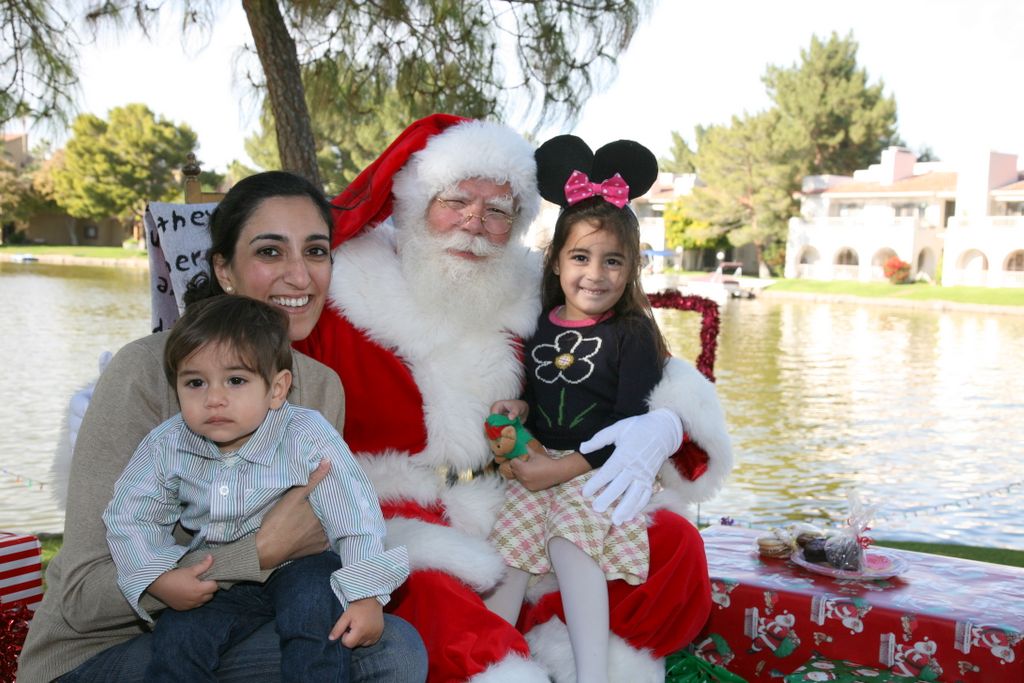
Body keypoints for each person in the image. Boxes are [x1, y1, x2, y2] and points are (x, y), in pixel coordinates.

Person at [293, 114, 734, 682]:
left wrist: (667, 424)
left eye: (498, 210)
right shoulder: (345, 291)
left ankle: (570, 649)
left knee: (672, 544)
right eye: (456, 200)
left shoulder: (533, 288)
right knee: (427, 588)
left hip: (521, 491)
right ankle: (507, 662)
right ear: (414, 201)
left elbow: (632, 361)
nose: (475, 223)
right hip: (400, 506)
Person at [19, 171, 427, 683]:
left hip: (236, 623)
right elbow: (82, 594)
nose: (300, 276)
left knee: (382, 643)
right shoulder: (145, 373)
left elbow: (319, 542)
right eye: (271, 252)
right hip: (102, 650)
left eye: (316, 251)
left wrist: (351, 580)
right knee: (384, 655)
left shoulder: (320, 388)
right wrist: (253, 554)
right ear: (224, 270)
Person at [103, 294, 410, 682]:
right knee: (178, 638)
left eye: (236, 380)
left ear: (277, 389)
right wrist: (158, 578)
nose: (214, 398)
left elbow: (355, 514)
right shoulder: (168, 444)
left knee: (316, 616)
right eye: (195, 382)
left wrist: (367, 595)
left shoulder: (306, 434)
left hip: (301, 564)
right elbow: (130, 516)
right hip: (223, 574)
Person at [482, 135, 667, 683]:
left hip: (599, 471)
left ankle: (593, 674)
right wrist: (517, 408)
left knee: (568, 540)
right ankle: (490, 664)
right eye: (581, 257)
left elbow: (631, 425)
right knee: (507, 553)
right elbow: (540, 396)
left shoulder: (632, 333)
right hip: (537, 464)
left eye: (613, 261)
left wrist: (563, 469)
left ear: (631, 267)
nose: (596, 274)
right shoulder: (541, 322)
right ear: (557, 260)